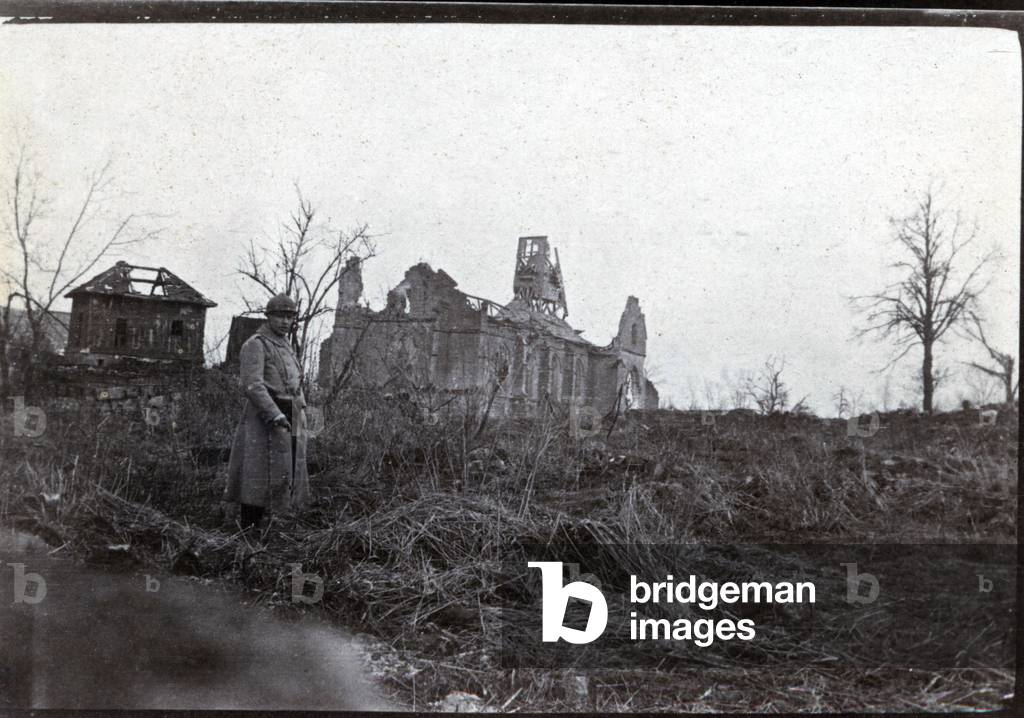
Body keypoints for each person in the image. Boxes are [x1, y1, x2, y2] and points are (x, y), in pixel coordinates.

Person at [224, 294, 310, 530]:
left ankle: (270, 526)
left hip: (291, 412)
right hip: (265, 417)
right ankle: (248, 530)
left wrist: (305, 416)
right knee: (257, 473)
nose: (285, 322)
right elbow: (252, 385)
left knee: (288, 470)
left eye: (289, 317)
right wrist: (275, 414)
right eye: (279, 316)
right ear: (269, 317)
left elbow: (297, 385)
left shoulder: (287, 346)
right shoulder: (256, 344)